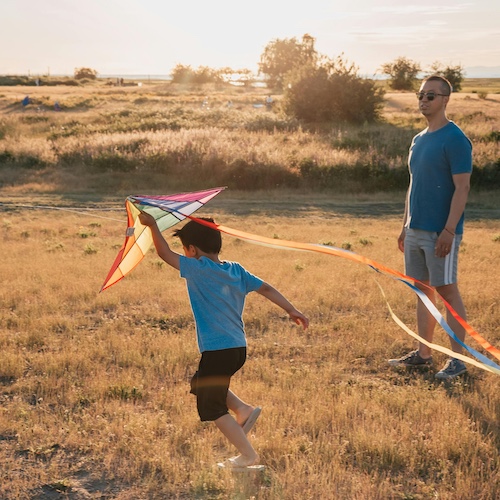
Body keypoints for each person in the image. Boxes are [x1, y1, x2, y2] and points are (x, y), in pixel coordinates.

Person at [138, 213, 309, 467]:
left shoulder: (197, 268)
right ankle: (243, 410)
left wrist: (152, 225)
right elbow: (266, 288)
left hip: (218, 350)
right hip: (237, 348)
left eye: (185, 250)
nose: (184, 254)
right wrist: (291, 309)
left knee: (212, 406)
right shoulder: (236, 270)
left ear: (192, 249)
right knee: (201, 383)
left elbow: (164, 253)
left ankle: (248, 455)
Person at [389, 75, 473, 380]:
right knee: (422, 291)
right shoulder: (418, 139)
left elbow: (462, 188)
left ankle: (458, 361)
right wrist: (404, 226)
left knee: (447, 292)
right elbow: (414, 185)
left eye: (431, 96)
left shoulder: (455, 139)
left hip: (441, 233)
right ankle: (424, 355)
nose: (424, 100)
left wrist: (449, 231)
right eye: (421, 95)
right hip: (414, 231)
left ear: (445, 100)